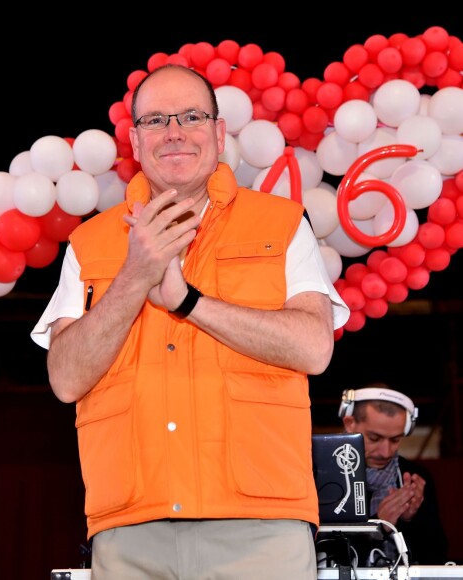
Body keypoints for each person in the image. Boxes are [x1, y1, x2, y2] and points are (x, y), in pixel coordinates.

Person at [31, 64, 350, 580]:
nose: (174, 132)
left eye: (192, 116)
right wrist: (134, 278)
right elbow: (65, 378)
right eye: (156, 120)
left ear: (219, 134)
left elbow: (314, 347)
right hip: (131, 528)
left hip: (262, 526)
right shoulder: (90, 244)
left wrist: (188, 302)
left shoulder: (282, 223)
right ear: (134, 140)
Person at [339, 383, 449, 565]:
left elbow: (437, 557)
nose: (386, 452)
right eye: (374, 438)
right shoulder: (323, 475)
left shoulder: (414, 477)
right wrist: (379, 526)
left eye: (395, 440)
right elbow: (321, 554)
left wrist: (410, 519)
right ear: (350, 424)